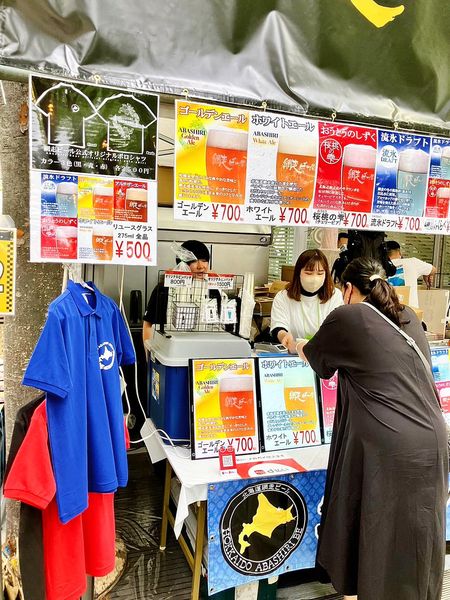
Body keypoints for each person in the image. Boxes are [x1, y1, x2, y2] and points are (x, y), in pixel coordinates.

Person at [296, 257, 448, 600]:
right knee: (418, 535)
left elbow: (317, 359)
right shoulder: (407, 315)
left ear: (348, 289)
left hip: (388, 444)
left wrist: (295, 345)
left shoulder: (348, 316)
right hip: (432, 438)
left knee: (377, 532)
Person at [142, 240, 216, 344]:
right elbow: (148, 324)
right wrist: (149, 355)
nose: (200, 266)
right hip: (170, 348)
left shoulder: (213, 288)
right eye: (194, 261)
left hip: (205, 348)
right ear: (182, 263)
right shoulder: (165, 288)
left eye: (204, 260)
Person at [270, 249, 343, 352]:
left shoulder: (335, 296)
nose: (315, 278)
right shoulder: (283, 297)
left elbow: (337, 330)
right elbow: (278, 325)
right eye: (309, 273)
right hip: (294, 355)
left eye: (320, 273)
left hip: (324, 356)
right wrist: (283, 335)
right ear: (298, 273)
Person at [386, 240, 437, 308]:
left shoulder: (378, 266)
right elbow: (433, 270)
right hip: (411, 313)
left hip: (386, 313)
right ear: (399, 251)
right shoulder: (412, 262)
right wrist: (426, 274)